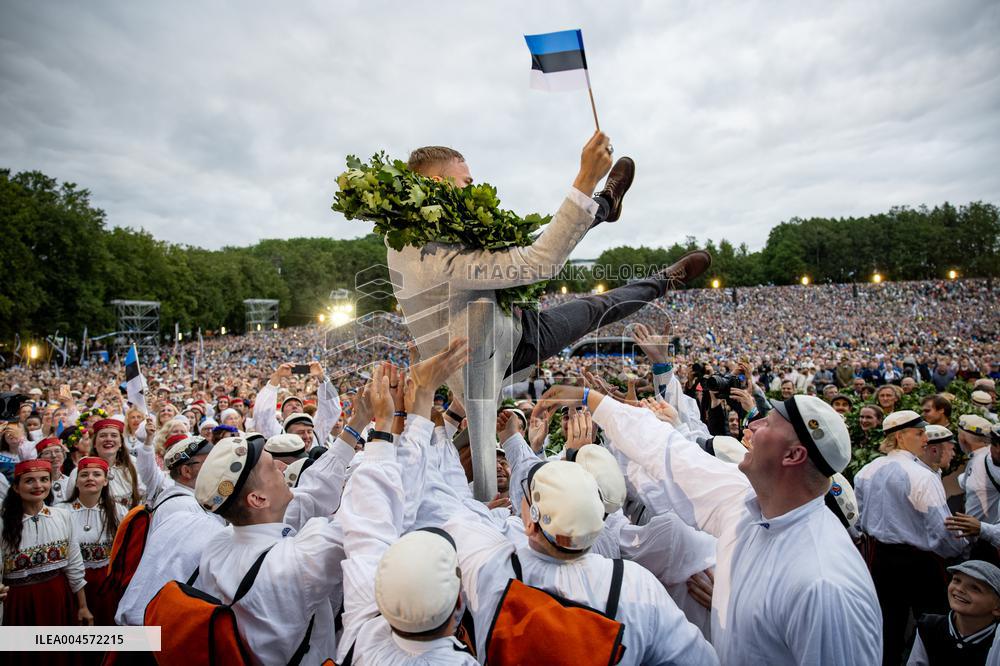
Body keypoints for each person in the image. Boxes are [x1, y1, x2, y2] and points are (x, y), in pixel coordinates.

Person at [389, 133, 711, 497]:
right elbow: (541, 262)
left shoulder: (408, 233)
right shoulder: (436, 259)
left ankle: (606, 204)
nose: (472, 188)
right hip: (504, 350)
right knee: (595, 308)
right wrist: (585, 177)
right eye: (467, 182)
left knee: (547, 240)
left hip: (492, 316)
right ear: (436, 184)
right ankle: (665, 280)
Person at [535, 385, 882, 664]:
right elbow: (668, 452)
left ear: (793, 456)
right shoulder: (746, 502)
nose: (752, 425)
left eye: (768, 424)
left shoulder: (823, 583)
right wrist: (588, 398)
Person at [855, 410, 966, 664]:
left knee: (888, 624)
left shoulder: (866, 471)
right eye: (919, 433)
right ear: (900, 436)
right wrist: (958, 551)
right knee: (934, 623)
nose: (925, 438)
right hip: (919, 562)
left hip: (881, 559)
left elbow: (860, 520)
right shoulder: (922, 476)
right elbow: (942, 529)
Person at [1, 460, 91, 665]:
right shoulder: (3, 522)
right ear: (16, 487)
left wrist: (83, 606)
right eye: (29, 481)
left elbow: (75, 566)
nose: (38, 486)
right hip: (18, 602)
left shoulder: (63, 516)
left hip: (57, 597)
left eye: (44, 480)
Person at [61, 456, 125, 627]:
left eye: (96, 474)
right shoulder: (62, 511)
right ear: (76, 482)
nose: (90, 478)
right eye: (84, 475)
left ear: (105, 481)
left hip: (106, 583)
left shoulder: (118, 511)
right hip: (70, 582)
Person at [907, 560, 1000, 665]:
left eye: (975, 588)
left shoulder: (997, 640)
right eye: (957, 580)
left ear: (997, 608)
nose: (960, 589)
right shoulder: (929, 626)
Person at [66, 418, 144, 510]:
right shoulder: (81, 469)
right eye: (103, 435)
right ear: (94, 443)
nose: (108, 439)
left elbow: (142, 498)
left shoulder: (134, 465)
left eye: (114, 435)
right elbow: (71, 502)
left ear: (120, 443)